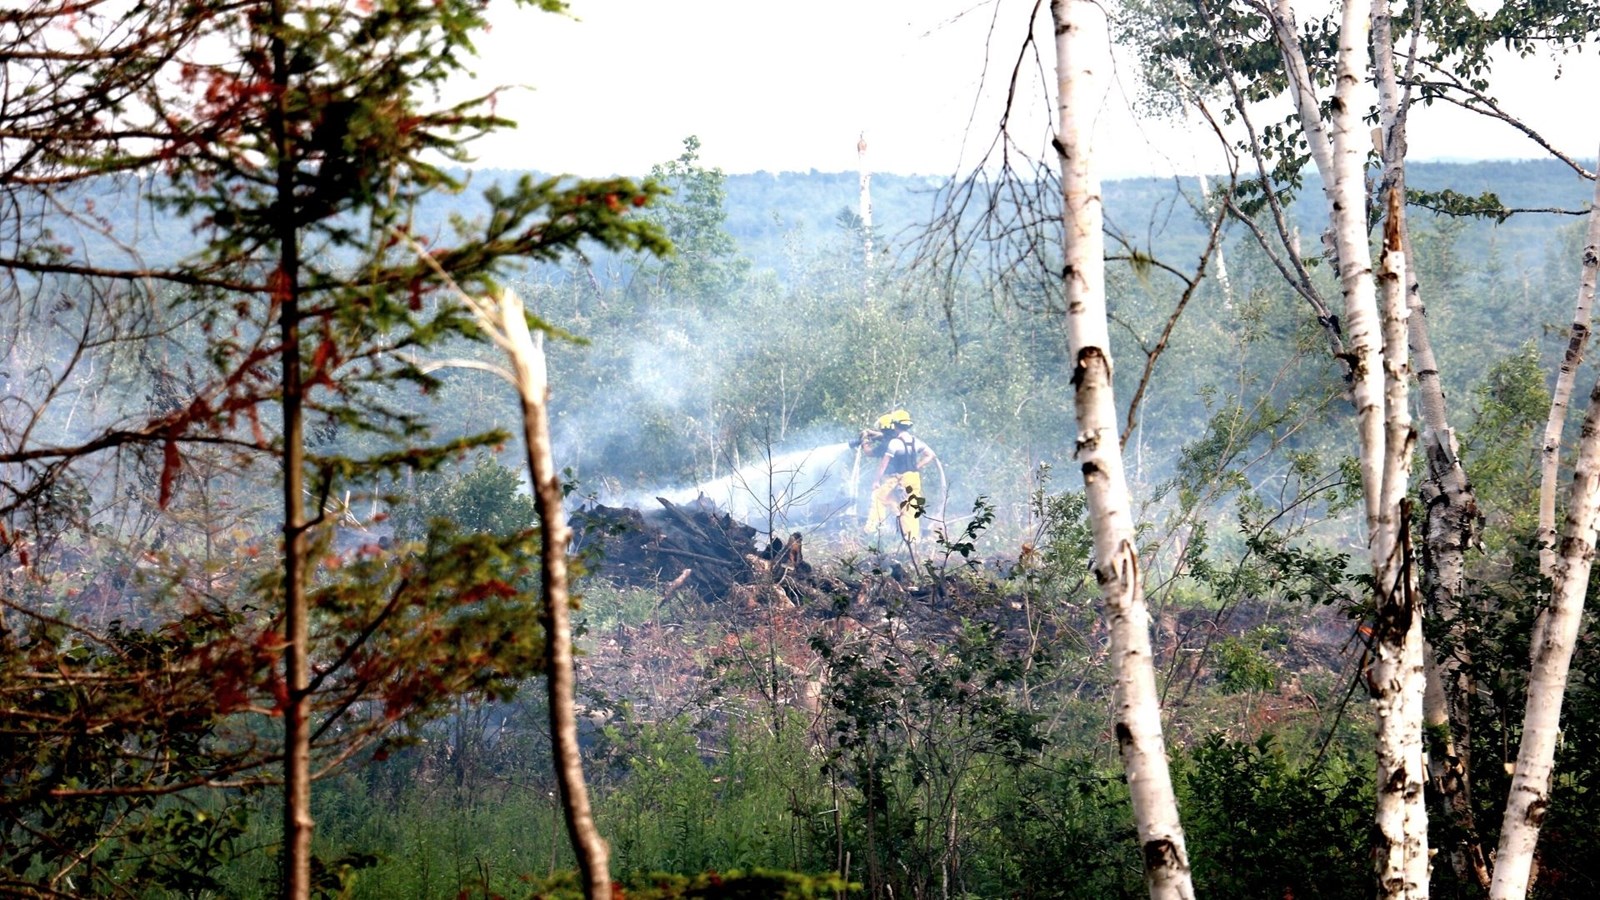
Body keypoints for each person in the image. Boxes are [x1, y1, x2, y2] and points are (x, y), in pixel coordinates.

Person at [864, 409, 937, 543]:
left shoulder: (895, 443)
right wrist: (916, 466)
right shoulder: (915, 441)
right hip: (914, 478)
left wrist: (876, 481)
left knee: (878, 497)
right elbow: (930, 455)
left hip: (900, 478)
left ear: (895, 425)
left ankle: (872, 529)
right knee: (910, 508)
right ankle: (912, 540)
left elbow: (883, 464)